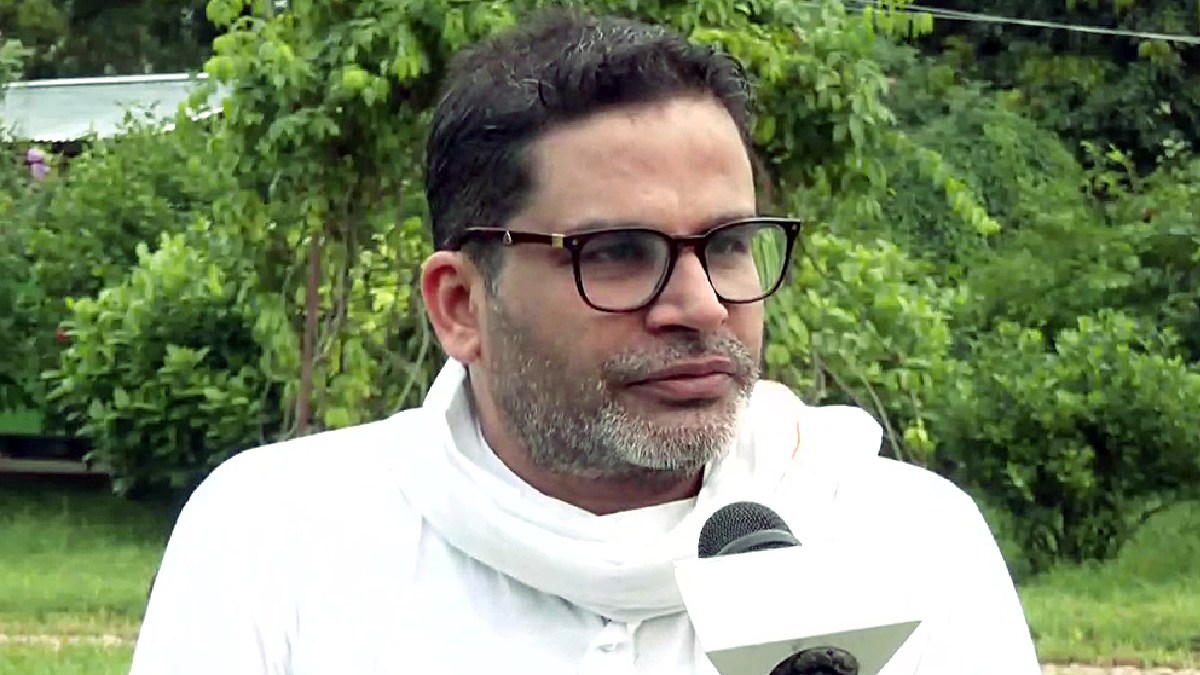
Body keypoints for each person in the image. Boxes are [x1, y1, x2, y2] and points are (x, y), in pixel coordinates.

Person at [128, 10, 1041, 675]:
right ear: (460, 305)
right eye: (617, 253)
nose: (701, 306)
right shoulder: (278, 540)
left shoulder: (899, 537)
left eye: (728, 244)